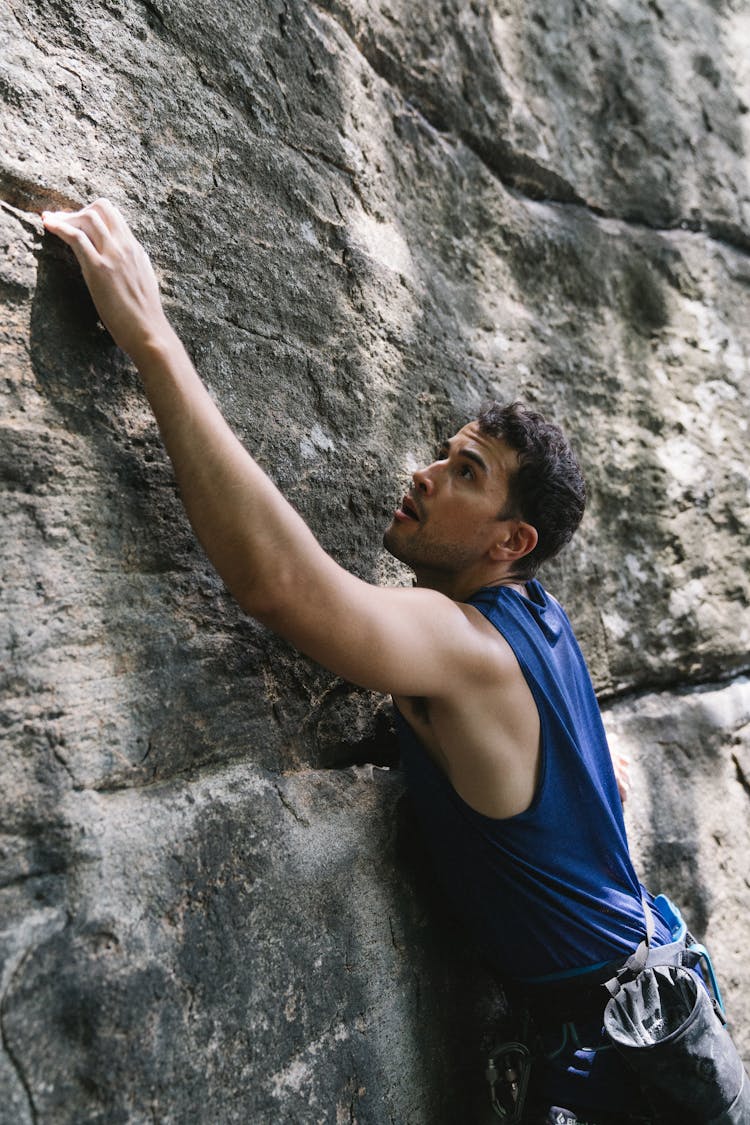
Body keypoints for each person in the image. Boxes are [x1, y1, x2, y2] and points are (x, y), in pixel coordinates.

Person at [39, 201, 707, 1124]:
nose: (426, 472)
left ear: (513, 540)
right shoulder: (538, 620)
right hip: (651, 1003)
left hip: (618, 1070)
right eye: (444, 452)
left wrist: (152, 340)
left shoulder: (468, 645)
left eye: (464, 470)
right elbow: (599, 784)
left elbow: (283, 586)